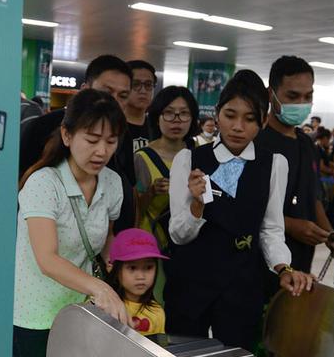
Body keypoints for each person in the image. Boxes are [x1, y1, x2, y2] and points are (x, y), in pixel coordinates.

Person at [14, 88, 128, 357]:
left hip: (81, 307)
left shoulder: (113, 184)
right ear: (66, 134)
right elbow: (46, 257)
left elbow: (104, 239)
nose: (102, 150)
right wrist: (99, 287)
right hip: (38, 309)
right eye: (90, 138)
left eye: (112, 140)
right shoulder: (42, 183)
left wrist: (114, 268)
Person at [165, 70, 313, 350]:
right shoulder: (190, 159)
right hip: (191, 285)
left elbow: (270, 229)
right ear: (217, 113)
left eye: (249, 119)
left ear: (263, 121)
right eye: (230, 115)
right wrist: (197, 205)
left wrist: (283, 267)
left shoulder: (274, 164)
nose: (237, 127)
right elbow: (178, 235)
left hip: (242, 288)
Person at [19, 54, 135, 232]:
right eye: (91, 139)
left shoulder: (123, 135)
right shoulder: (42, 127)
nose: (102, 151)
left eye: (123, 95)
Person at [256, 56, 334, 275]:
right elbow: (242, 206)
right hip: (260, 260)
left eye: (308, 96)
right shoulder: (256, 143)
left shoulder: (307, 144)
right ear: (271, 94)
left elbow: (312, 198)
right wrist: (291, 226)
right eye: (293, 96)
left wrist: (329, 233)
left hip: (301, 261)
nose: (301, 103)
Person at [134, 86, 199, 252]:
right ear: (157, 118)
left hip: (191, 240)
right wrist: (152, 192)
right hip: (152, 243)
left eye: (184, 113)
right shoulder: (142, 157)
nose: (176, 120)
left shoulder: (200, 153)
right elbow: (133, 210)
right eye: (169, 113)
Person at [107, 228, 167, 337]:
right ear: (115, 270)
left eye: (148, 267)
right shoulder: (105, 306)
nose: (141, 276)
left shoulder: (157, 312)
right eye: (132, 268)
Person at [125, 60, 157, 153]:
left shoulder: (157, 126)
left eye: (148, 85)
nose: (143, 91)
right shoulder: (114, 125)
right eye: (136, 84)